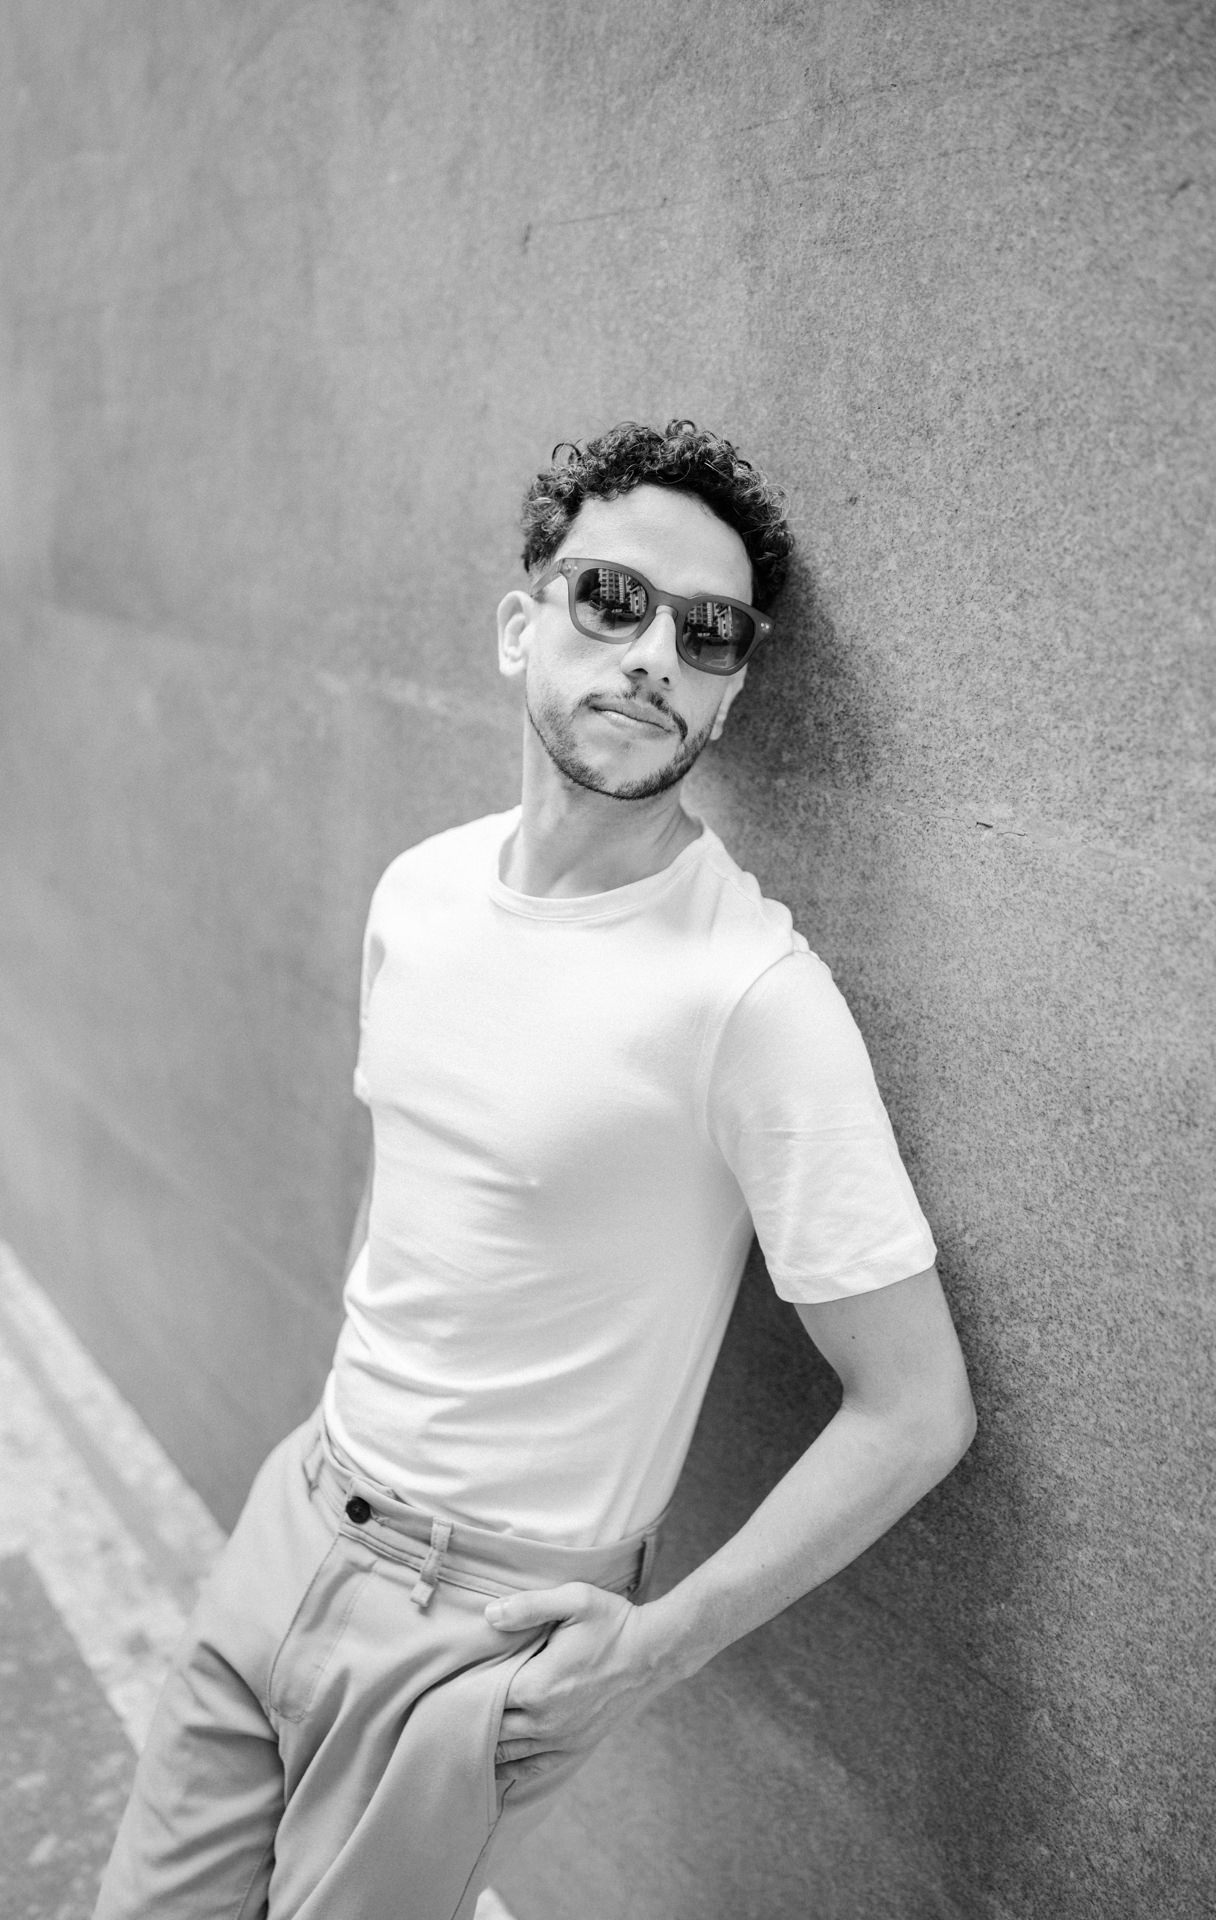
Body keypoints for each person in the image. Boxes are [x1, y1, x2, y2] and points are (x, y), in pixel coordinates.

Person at [94, 419, 976, 1920]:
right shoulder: (420, 892)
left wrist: (655, 1649)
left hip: (480, 1641)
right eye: (612, 600)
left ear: (732, 690)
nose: (655, 656)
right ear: (522, 626)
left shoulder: (751, 999)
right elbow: (410, 1196)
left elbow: (916, 1409)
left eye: (708, 634)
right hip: (299, 1508)